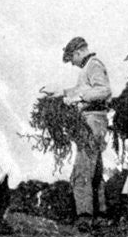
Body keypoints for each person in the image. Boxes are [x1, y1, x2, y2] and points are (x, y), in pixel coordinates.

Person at [44, 37, 112, 218]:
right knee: (94, 169)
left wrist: (79, 98)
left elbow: (104, 90)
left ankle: (85, 215)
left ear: (78, 52)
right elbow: (81, 88)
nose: (72, 64)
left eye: (71, 59)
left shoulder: (93, 65)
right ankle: (101, 212)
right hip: (93, 120)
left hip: (93, 121)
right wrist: (62, 92)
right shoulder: (88, 67)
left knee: (82, 169)